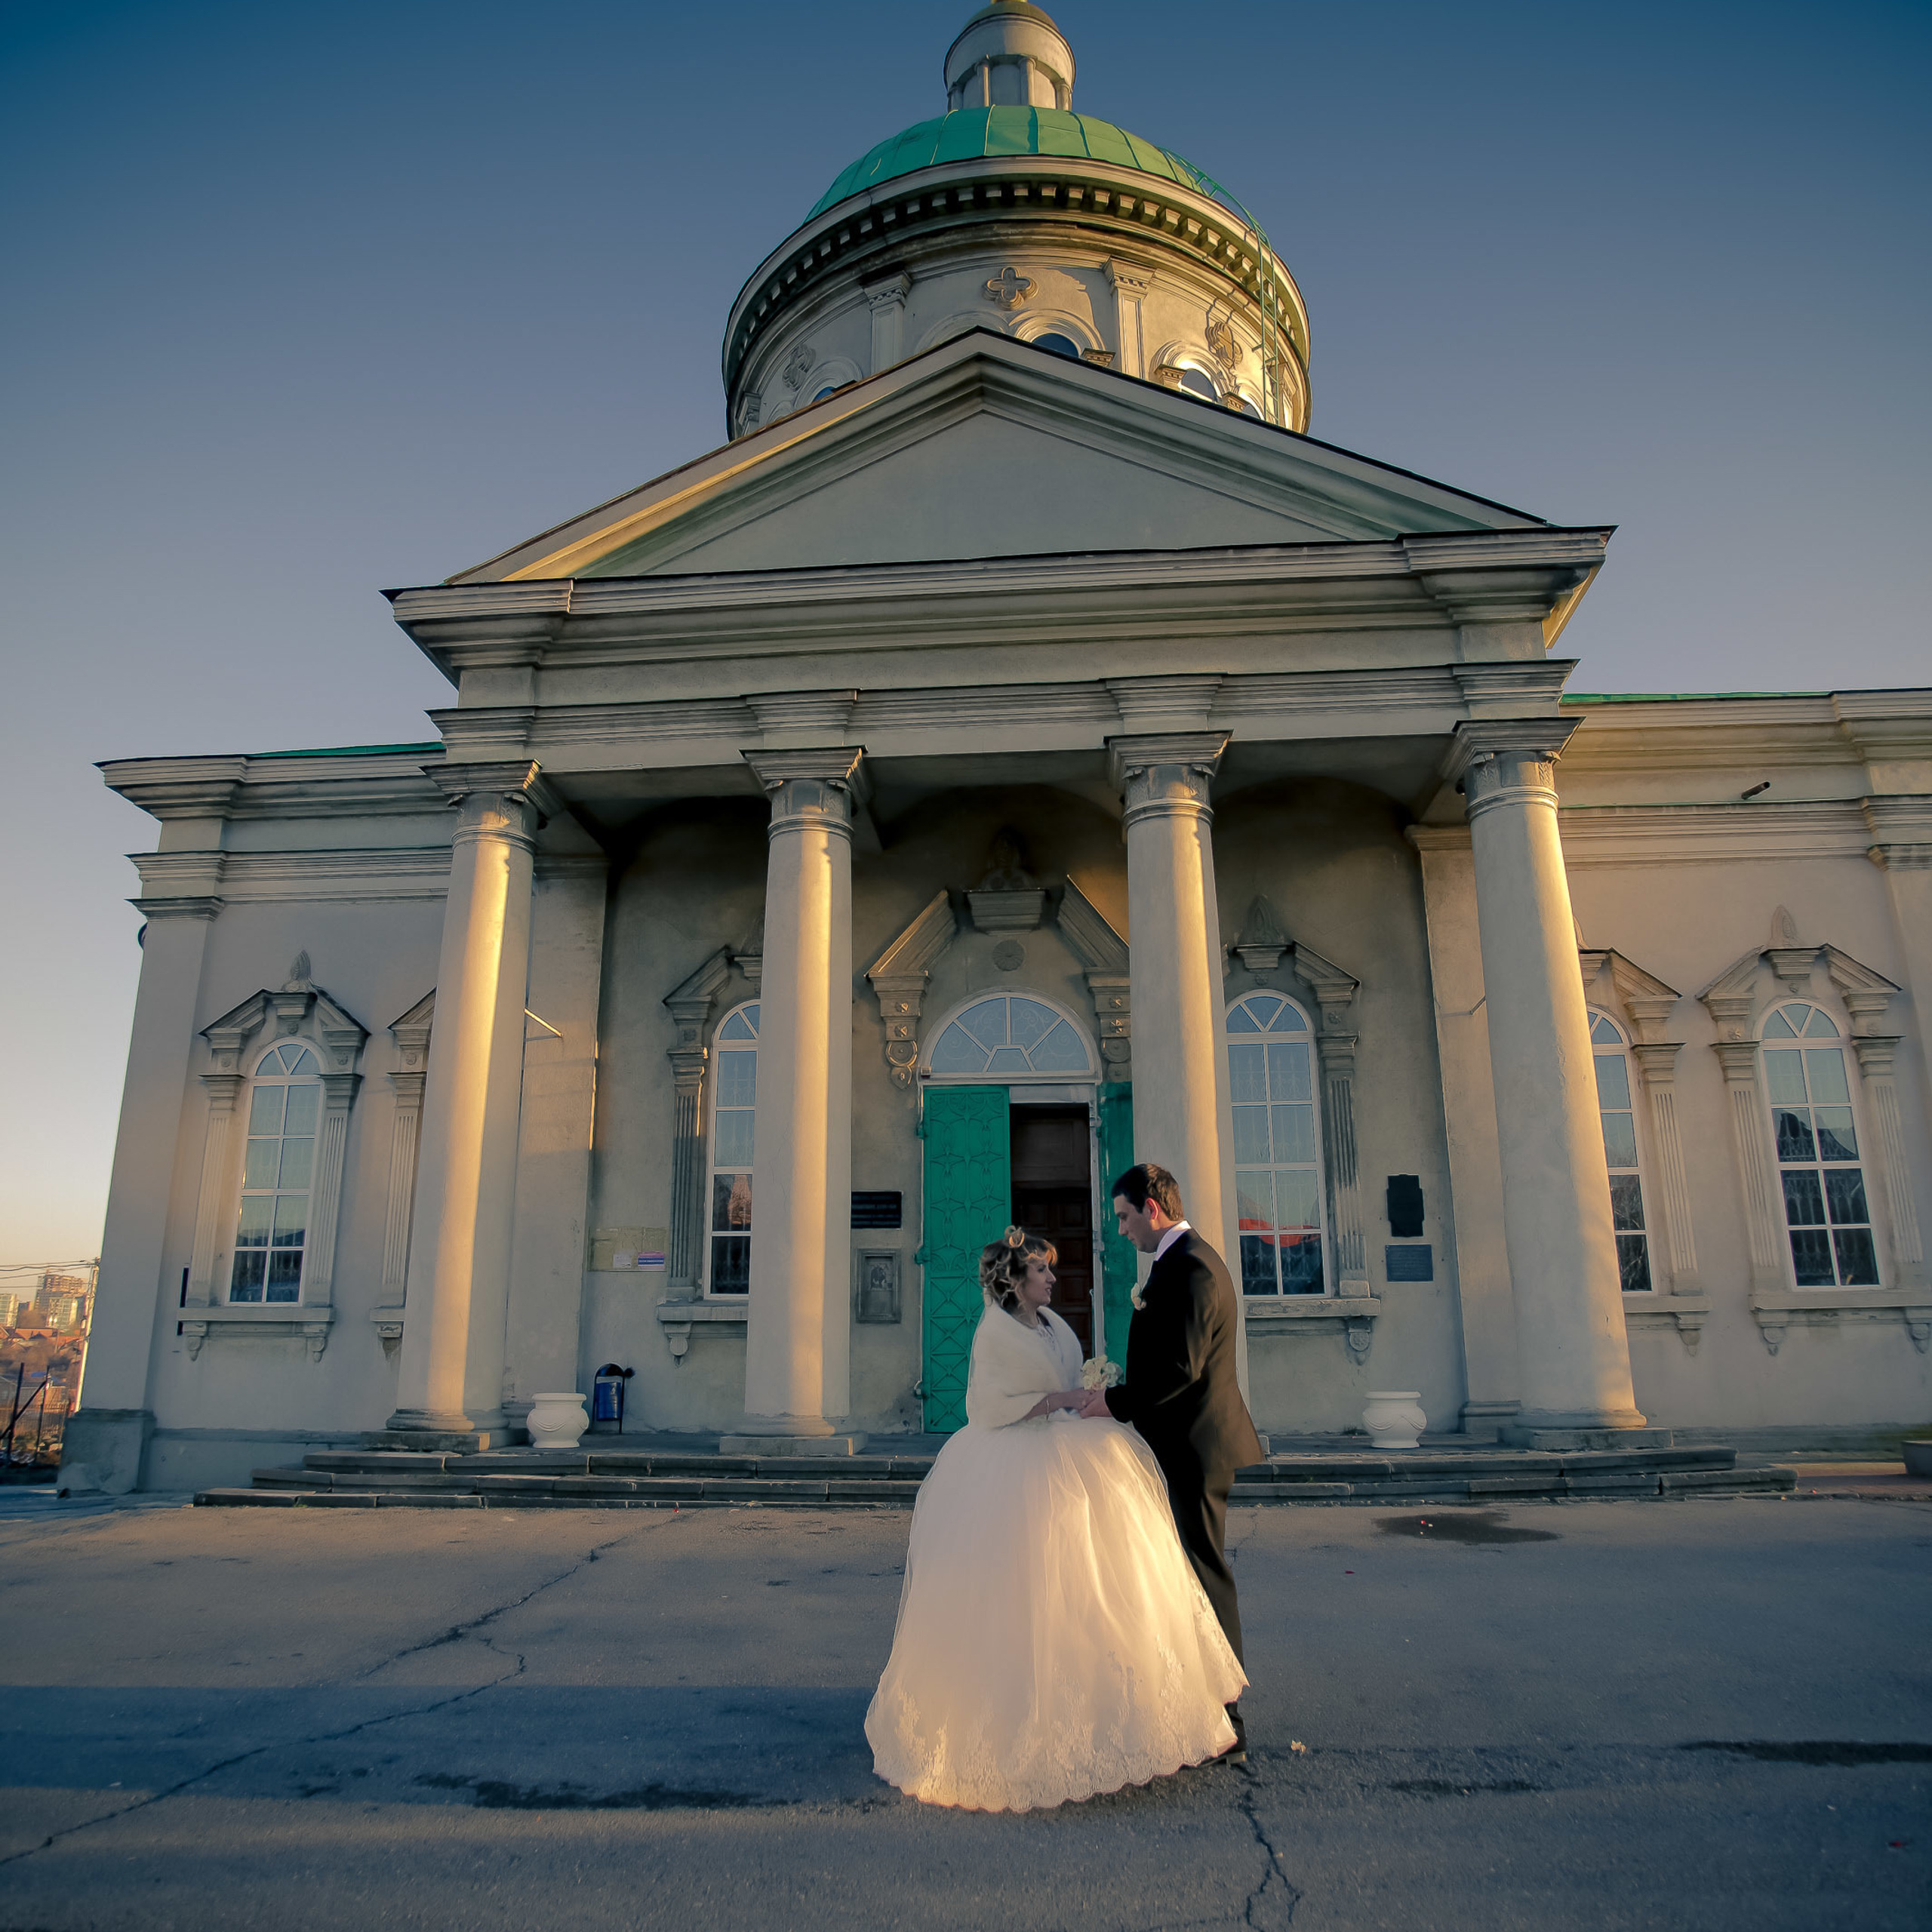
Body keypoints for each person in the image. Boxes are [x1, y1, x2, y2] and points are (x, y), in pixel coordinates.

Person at [866, 1226, 1245, 1811]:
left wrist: (1088, 1392)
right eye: (1041, 1270)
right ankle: (1012, 1709)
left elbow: (1068, 1376)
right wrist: (1058, 1401)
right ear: (1014, 1283)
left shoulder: (1054, 1324)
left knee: (1099, 1587)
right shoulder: (995, 1332)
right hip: (1016, 1465)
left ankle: (1107, 1706)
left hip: (1074, 1452)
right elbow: (986, 1406)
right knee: (1027, 1592)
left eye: (1049, 1269)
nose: (1052, 1277)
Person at [1079, 1162, 1264, 1761]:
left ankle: (1228, 1716)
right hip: (1183, 1443)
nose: (1122, 1230)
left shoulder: (1193, 1269)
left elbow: (1182, 1370)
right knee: (1184, 1571)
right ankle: (1200, 1700)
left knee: (1205, 1573)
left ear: (1153, 1209)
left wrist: (1114, 1402)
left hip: (1195, 1446)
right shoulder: (1177, 1263)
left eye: (1126, 1217)